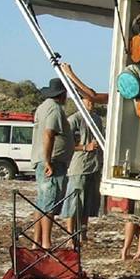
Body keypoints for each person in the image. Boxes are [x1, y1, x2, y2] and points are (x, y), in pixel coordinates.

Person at [30, 77, 75, 250]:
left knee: (42, 202)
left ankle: (37, 242)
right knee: (49, 203)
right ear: (62, 94)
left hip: (45, 160)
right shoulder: (54, 109)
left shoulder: (42, 107)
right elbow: (48, 134)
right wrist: (48, 161)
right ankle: (46, 243)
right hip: (52, 162)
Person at [63, 96, 104, 241]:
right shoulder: (74, 119)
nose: (91, 103)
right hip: (79, 166)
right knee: (74, 201)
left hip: (94, 165)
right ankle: (69, 234)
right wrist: (85, 147)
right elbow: (65, 142)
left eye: (92, 100)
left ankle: (83, 233)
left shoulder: (97, 119)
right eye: (88, 100)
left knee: (88, 202)